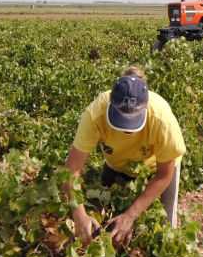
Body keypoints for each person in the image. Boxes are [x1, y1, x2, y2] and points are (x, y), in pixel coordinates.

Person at [64, 66, 186, 247]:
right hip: (116, 164)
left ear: (145, 109)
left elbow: (164, 175)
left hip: (155, 170)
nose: (127, 131)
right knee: (102, 218)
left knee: (166, 228)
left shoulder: (162, 120)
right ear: (111, 105)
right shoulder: (95, 114)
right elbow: (71, 170)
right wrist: (79, 214)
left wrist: (131, 215)